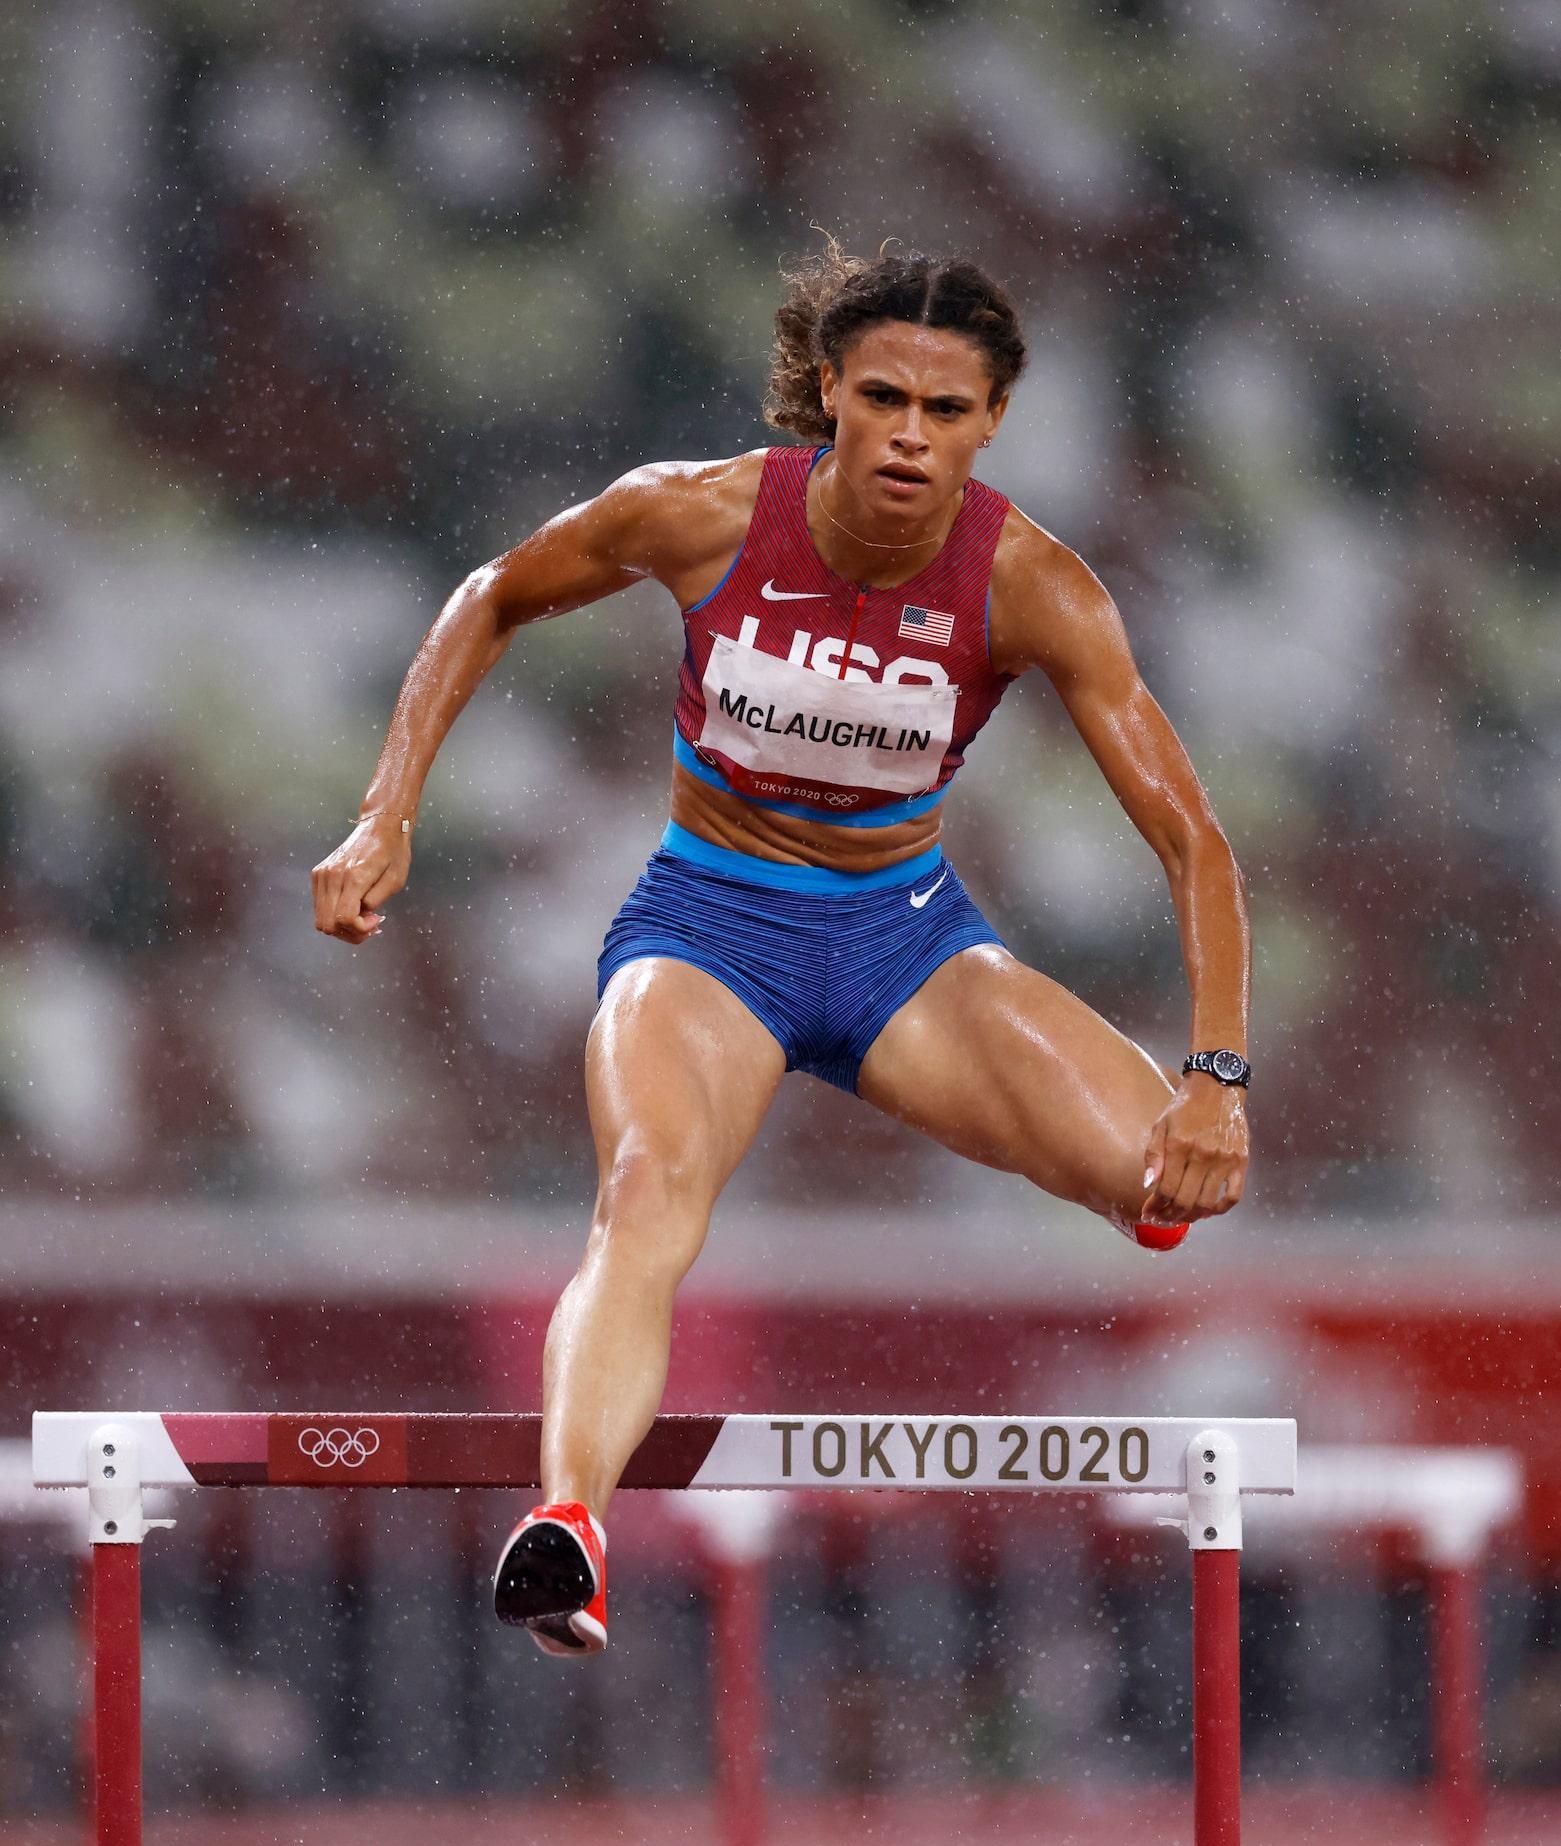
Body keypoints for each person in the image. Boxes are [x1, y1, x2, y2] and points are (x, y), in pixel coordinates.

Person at [311, 244, 1251, 1657]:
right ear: (830, 391)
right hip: (708, 927)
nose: (908, 438)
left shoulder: (1033, 584)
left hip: (906, 944)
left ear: (991, 421)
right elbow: (491, 594)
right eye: (882, 398)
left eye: (945, 411)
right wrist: (385, 816)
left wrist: (1216, 1075)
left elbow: (1195, 844)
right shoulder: (697, 516)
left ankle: (1128, 1159)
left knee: (1161, 1189)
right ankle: (567, 1526)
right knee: (643, 1192)